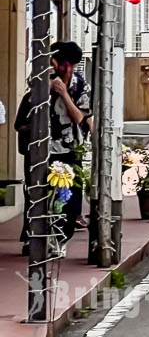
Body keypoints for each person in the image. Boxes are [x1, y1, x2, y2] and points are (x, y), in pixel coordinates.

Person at [15, 41, 92, 253]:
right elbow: (21, 122)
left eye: (72, 65)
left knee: (68, 197)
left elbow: (82, 119)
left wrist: (64, 94)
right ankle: (33, 238)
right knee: (37, 193)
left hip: (69, 150)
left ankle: (60, 239)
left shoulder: (80, 86)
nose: (68, 70)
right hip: (41, 151)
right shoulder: (39, 85)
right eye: (64, 64)